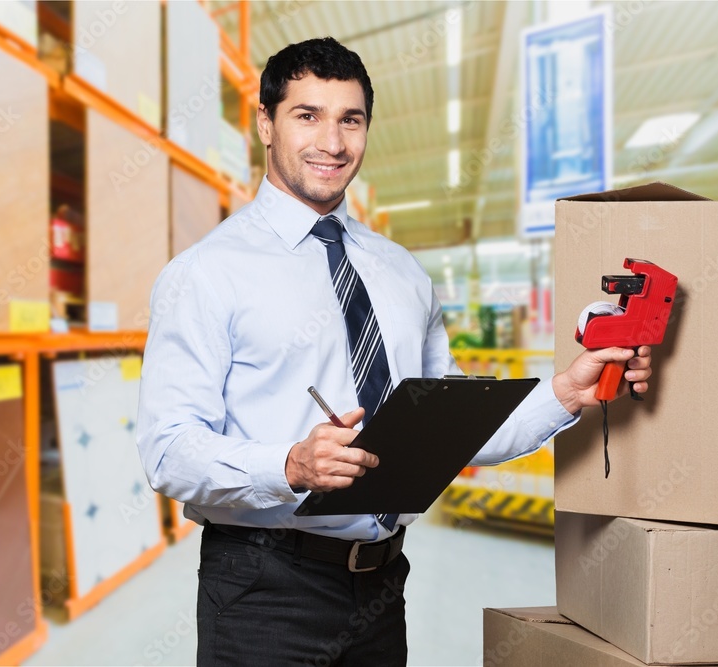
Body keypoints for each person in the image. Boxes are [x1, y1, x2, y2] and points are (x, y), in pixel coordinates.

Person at [136, 37, 652, 666]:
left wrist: (568, 391)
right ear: (265, 122)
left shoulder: (402, 274)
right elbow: (168, 451)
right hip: (263, 588)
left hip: (382, 586)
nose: (332, 141)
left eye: (349, 120)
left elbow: (455, 426)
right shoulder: (207, 274)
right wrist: (290, 465)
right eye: (308, 115)